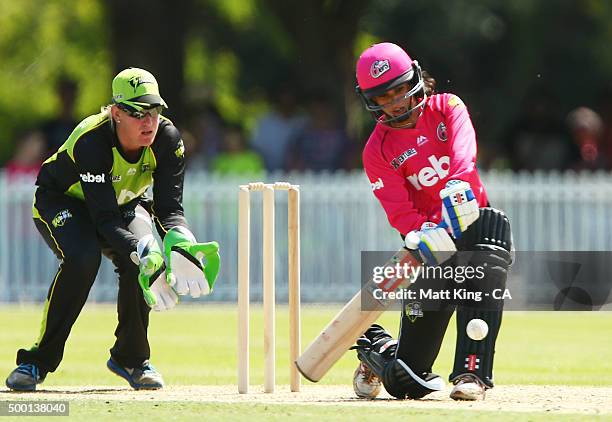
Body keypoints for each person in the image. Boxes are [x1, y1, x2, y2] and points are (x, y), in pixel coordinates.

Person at [5, 68, 220, 392]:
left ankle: (131, 358)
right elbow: (103, 219)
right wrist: (143, 250)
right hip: (62, 201)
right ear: (116, 113)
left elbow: (169, 209)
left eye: (154, 111)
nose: (148, 122)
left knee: (144, 261)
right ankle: (36, 361)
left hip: (124, 204)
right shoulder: (92, 140)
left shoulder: (167, 139)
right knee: (84, 257)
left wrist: (180, 241)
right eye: (137, 113)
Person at [352, 43, 513, 401]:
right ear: (371, 100)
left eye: (398, 89)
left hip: (471, 221)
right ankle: (377, 347)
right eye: (382, 96)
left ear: (415, 79)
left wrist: (456, 183)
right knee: (407, 380)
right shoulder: (377, 150)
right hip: (431, 242)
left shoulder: (447, 107)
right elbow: (397, 207)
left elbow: (464, 153)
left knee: (490, 246)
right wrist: (417, 231)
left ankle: (472, 374)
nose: (394, 102)